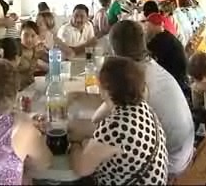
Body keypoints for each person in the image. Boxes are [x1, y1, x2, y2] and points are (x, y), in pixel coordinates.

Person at [102, 20, 194, 177]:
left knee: (99, 154)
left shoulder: (135, 80)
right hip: (183, 151)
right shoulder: (150, 67)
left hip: (168, 164)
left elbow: (111, 119)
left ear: (114, 50)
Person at [70, 56, 168, 185]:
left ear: (106, 89)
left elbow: (81, 168)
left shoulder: (115, 128)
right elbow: (96, 120)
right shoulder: (141, 106)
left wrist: (75, 143)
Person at [144, 13, 191, 100]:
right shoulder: (165, 35)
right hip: (180, 78)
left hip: (177, 81)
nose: (146, 29)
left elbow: (146, 55)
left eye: (148, 26)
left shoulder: (161, 40)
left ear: (156, 26)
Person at [18, 20, 46, 89]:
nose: (29, 39)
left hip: (30, 86)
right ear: (20, 35)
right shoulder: (16, 51)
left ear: (37, 37)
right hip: (18, 88)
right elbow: (26, 75)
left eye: (33, 36)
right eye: (26, 35)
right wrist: (35, 58)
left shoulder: (35, 49)